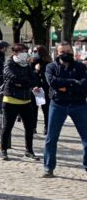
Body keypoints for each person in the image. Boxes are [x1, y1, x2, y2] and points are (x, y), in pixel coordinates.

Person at [41, 41, 87, 178]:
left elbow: (84, 84)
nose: (65, 54)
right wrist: (73, 82)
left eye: (68, 51)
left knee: (86, 137)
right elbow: (53, 83)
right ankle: (48, 167)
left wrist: (65, 85)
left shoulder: (80, 67)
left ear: (72, 52)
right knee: (51, 138)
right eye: (62, 51)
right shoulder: (51, 67)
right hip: (58, 104)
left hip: (79, 105)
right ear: (57, 53)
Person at [0, 43, 39, 161]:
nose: (24, 54)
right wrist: (25, 82)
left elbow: (34, 80)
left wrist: (23, 83)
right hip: (11, 100)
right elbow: (11, 77)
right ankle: (3, 150)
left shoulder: (27, 65)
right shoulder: (9, 62)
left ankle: (29, 150)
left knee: (29, 127)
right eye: (22, 51)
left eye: (26, 51)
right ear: (15, 52)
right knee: (7, 126)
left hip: (26, 100)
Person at [32, 44, 52, 135]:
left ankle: (47, 128)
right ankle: (33, 127)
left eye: (36, 52)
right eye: (34, 51)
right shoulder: (33, 63)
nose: (34, 53)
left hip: (44, 89)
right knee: (33, 109)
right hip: (35, 89)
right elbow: (30, 76)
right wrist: (36, 71)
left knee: (46, 109)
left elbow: (46, 78)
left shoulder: (48, 64)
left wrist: (38, 71)